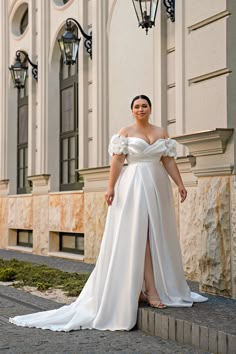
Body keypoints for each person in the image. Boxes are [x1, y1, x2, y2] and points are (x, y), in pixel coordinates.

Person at [9, 94, 207, 332]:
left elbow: (168, 161)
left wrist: (180, 184)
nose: (141, 109)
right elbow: (117, 162)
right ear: (132, 110)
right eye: (137, 106)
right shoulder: (125, 132)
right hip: (133, 185)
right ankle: (150, 289)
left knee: (156, 235)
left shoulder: (161, 132)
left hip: (157, 186)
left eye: (144, 105)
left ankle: (141, 289)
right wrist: (110, 187)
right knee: (140, 234)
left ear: (150, 109)